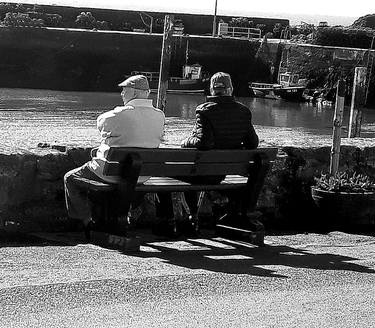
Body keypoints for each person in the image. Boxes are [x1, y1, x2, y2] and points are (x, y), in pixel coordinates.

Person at [155, 72, 259, 236]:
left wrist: (186, 142)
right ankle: (193, 218)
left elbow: (204, 143)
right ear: (230, 89)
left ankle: (168, 222)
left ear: (212, 90)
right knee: (194, 171)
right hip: (223, 173)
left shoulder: (204, 110)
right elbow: (253, 144)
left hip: (204, 172)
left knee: (163, 173)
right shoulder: (244, 112)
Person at [64, 75, 165, 236]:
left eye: (124, 90)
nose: (122, 94)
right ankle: (127, 217)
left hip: (110, 174)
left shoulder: (119, 114)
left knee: (70, 178)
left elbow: (100, 123)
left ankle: (86, 222)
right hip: (142, 175)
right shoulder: (160, 116)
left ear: (134, 93)